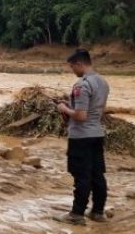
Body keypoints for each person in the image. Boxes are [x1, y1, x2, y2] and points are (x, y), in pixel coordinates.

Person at [54, 49, 110, 225]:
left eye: (72, 67)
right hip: (97, 134)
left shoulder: (82, 85)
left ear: (79, 63)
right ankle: (98, 212)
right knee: (97, 174)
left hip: (81, 137)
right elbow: (97, 111)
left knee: (81, 176)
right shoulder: (103, 82)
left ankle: (76, 214)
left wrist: (64, 109)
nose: (73, 71)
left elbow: (80, 115)